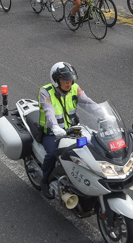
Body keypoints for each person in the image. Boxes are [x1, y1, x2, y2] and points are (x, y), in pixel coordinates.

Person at [38, 62, 97, 198]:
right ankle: (45, 181)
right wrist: (54, 127)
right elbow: (48, 110)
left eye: (70, 79)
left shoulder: (75, 88)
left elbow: (87, 103)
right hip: (52, 133)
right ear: (56, 80)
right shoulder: (45, 92)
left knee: (92, 147)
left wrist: (104, 115)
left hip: (73, 130)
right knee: (53, 154)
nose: (68, 83)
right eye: (65, 80)